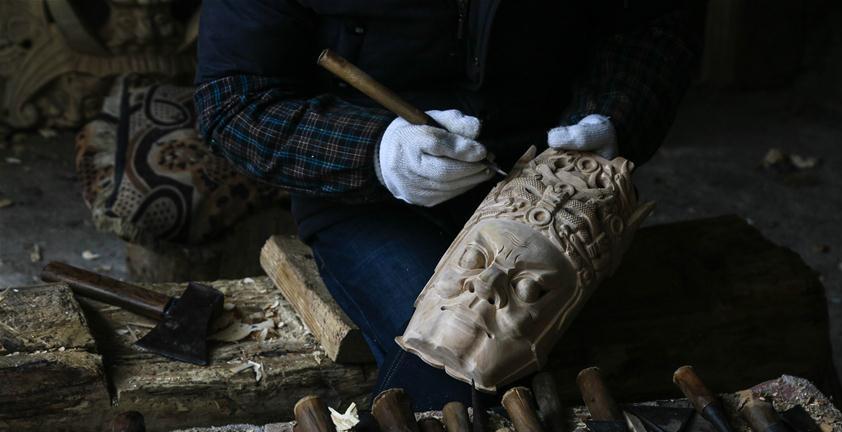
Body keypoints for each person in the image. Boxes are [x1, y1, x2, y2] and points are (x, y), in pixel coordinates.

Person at [195, 0, 698, 409]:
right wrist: (376, 151)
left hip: (540, 174)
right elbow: (233, 99)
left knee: (595, 360)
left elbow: (655, 26)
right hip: (368, 194)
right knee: (456, 366)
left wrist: (612, 115)